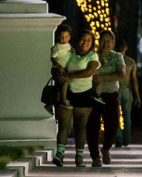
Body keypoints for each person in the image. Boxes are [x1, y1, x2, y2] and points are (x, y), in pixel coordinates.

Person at [51, 29, 101, 167]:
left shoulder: (92, 56)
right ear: (77, 40)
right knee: (64, 125)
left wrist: (70, 75)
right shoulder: (69, 53)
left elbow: (90, 71)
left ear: (92, 44)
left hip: (84, 94)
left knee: (80, 127)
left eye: (89, 40)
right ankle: (59, 154)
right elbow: (57, 63)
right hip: (67, 92)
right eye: (83, 39)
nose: (85, 42)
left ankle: (79, 156)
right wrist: (59, 72)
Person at [86, 30, 126, 166]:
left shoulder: (117, 56)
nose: (106, 43)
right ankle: (95, 156)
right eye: (103, 40)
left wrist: (102, 78)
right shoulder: (93, 55)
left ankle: (106, 149)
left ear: (113, 43)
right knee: (92, 126)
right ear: (99, 41)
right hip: (94, 95)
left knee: (113, 124)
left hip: (111, 94)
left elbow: (121, 74)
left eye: (109, 41)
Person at [114, 37, 140, 147]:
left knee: (116, 115)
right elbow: (134, 80)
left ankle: (119, 139)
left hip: (115, 89)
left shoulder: (113, 60)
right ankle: (126, 139)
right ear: (126, 48)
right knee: (127, 115)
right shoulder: (131, 62)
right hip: (126, 89)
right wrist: (137, 96)